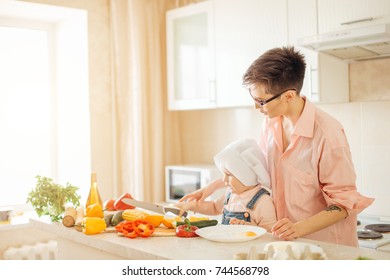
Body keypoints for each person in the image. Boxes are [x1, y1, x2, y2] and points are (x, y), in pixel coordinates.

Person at [179, 46, 374, 247]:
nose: (256, 107)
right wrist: (207, 190)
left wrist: (298, 228)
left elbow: (343, 204)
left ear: (289, 96)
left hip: (325, 247)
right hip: (283, 244)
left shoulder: (327, 133)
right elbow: (251, 171)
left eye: (261, 101)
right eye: (254, 98)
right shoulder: (271, 124)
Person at [175, 138, 277, 231]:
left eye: (229, 175)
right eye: (224, 174)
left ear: (246, 176)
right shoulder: (231, 194)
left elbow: (269, 232)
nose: (224, 179)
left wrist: (252, 228)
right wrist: (191, 206)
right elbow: (215, 207)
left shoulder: (263, 201)